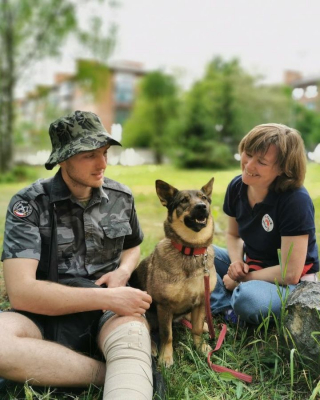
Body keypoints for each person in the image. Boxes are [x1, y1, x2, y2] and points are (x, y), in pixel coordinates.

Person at [0, 110, 154, 399]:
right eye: (89, 155)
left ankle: (65, 368)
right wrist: (109, 297)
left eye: (105, 152)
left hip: (108, 314)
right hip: (44, 313)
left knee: (132, 336)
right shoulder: (29, 204)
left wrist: (123, 271)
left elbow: (133, 244)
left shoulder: (121, 197)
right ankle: (106, 373)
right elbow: (22, 293)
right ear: (63, 158)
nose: (102, 164)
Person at [210, 123, 319, 325]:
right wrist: (236, 264)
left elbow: (290, 273)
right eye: (248, 154)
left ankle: (232, 302)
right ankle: (224, 307)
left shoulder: (295, 200)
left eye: (261, 161)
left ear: (282, 168)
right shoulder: (236, 186)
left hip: (290, 284)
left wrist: (242, 279)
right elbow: (233, 235)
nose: (249, 165)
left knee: (248, 299)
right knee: (197, 252)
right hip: (251, 265)